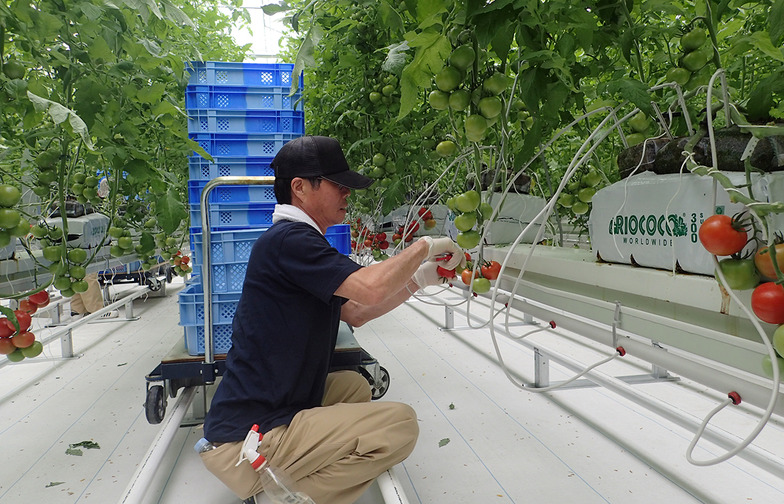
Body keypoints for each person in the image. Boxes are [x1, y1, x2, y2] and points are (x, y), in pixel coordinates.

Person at [199, 136, 464, 504]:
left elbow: (355, 311)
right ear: (300, 188)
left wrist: (418, 280)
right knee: (401, 424)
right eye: (337, 184)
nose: (346, 193)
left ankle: (289, 468)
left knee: (354, 388)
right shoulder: (291, 241)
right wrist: (425, 246)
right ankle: (278, 496)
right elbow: (370, 288)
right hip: (244, 441)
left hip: (256, 418)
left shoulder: (295, 242)